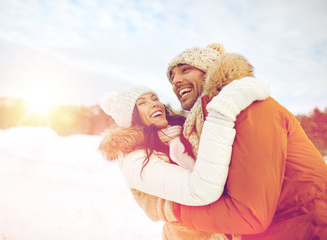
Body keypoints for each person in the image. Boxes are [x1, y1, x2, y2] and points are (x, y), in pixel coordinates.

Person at [130, 43, 327, 240]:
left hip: (309, 228)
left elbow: (249, 215)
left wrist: (172, 210)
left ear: (209, 70)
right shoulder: (210, 124)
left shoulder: (250, 108)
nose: (176, 81)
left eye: (185, 70)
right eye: (171, 77)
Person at [99, 80, 269, 239]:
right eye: (142, 103)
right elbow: (199, 189)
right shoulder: (134, 159)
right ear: (131, 118)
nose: (155, 103)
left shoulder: (181, 133)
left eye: (154, 98)